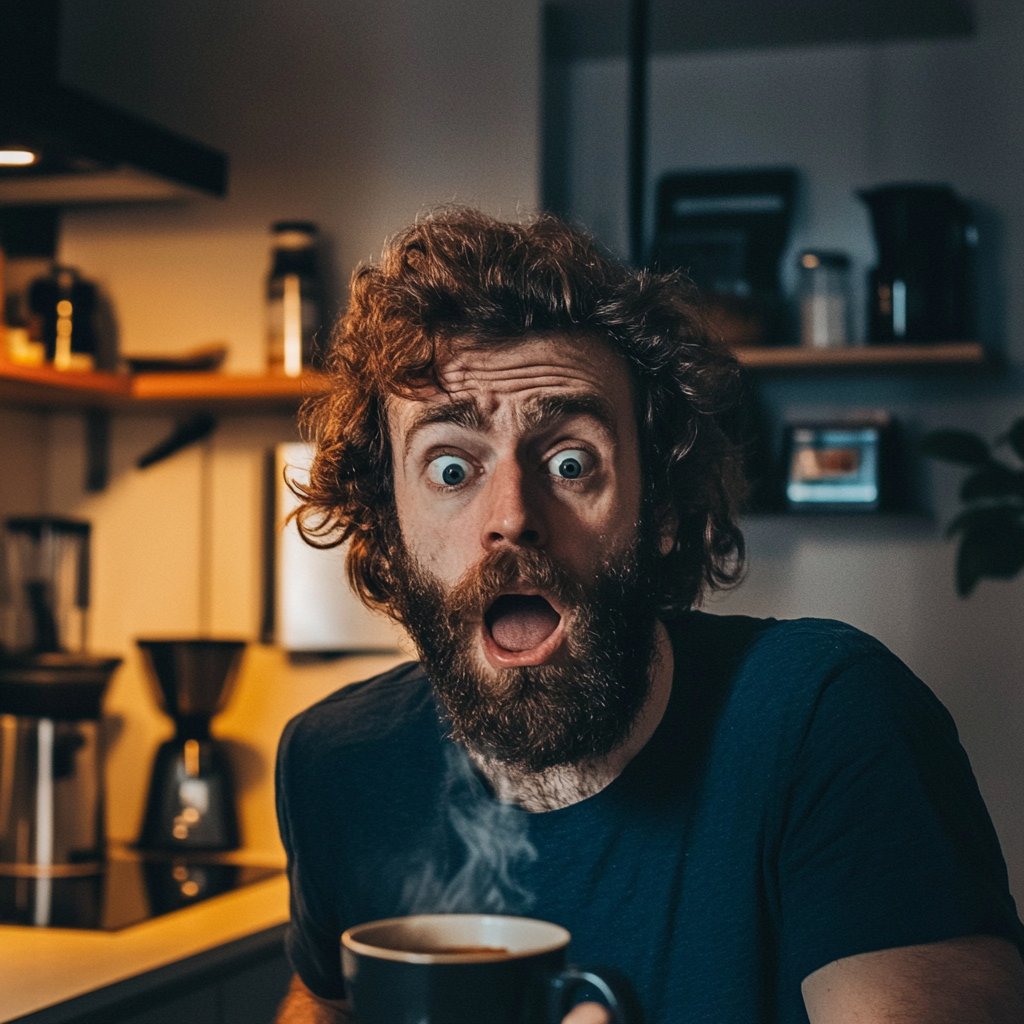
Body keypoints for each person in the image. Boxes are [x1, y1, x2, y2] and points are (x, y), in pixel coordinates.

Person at [273, 208, 1024, 1024]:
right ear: (387, 529)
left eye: (571, 462)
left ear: (660, 506)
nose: (513, 516)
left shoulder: (830, 720)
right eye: (451, 469)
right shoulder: (337, 764)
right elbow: (325, 1002)